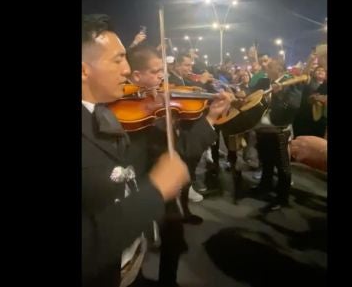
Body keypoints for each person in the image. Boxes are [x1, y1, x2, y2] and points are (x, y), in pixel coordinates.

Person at [81, 15, 190, 287]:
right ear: (84, 70)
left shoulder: (103, 112)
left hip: (128, 264)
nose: (128, 70)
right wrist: (155, 192)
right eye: (118, 59)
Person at [125, 45, 230, 286]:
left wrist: (208, 115)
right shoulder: (130, 111)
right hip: (140, 188)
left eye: (162, 71)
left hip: (162, 192)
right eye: (155, 72)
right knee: (135, 249)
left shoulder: (159, 106)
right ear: (136, 76)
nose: (162, 77)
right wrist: (210, 119)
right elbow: (182, 153)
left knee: (172, 236)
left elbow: (182, 150)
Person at [250, 57, 303, 212]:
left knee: (282, 165)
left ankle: (282, 197)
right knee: (266, 161)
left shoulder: (292, 81)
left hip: (279, 129)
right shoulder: (268, 81)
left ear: (279, 68)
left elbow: (294, 105)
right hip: (265, 128)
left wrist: (279, 95)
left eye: (270, 65)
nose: (265, 67)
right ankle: (264, 188)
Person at [292, 66, 328, 138]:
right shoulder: (310, 81)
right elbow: (304, 74)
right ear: (313, 74)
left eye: (323, 70)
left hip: (319, 119)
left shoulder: (325, 85)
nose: (320, 71)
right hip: (305, 116)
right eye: (318, 70)